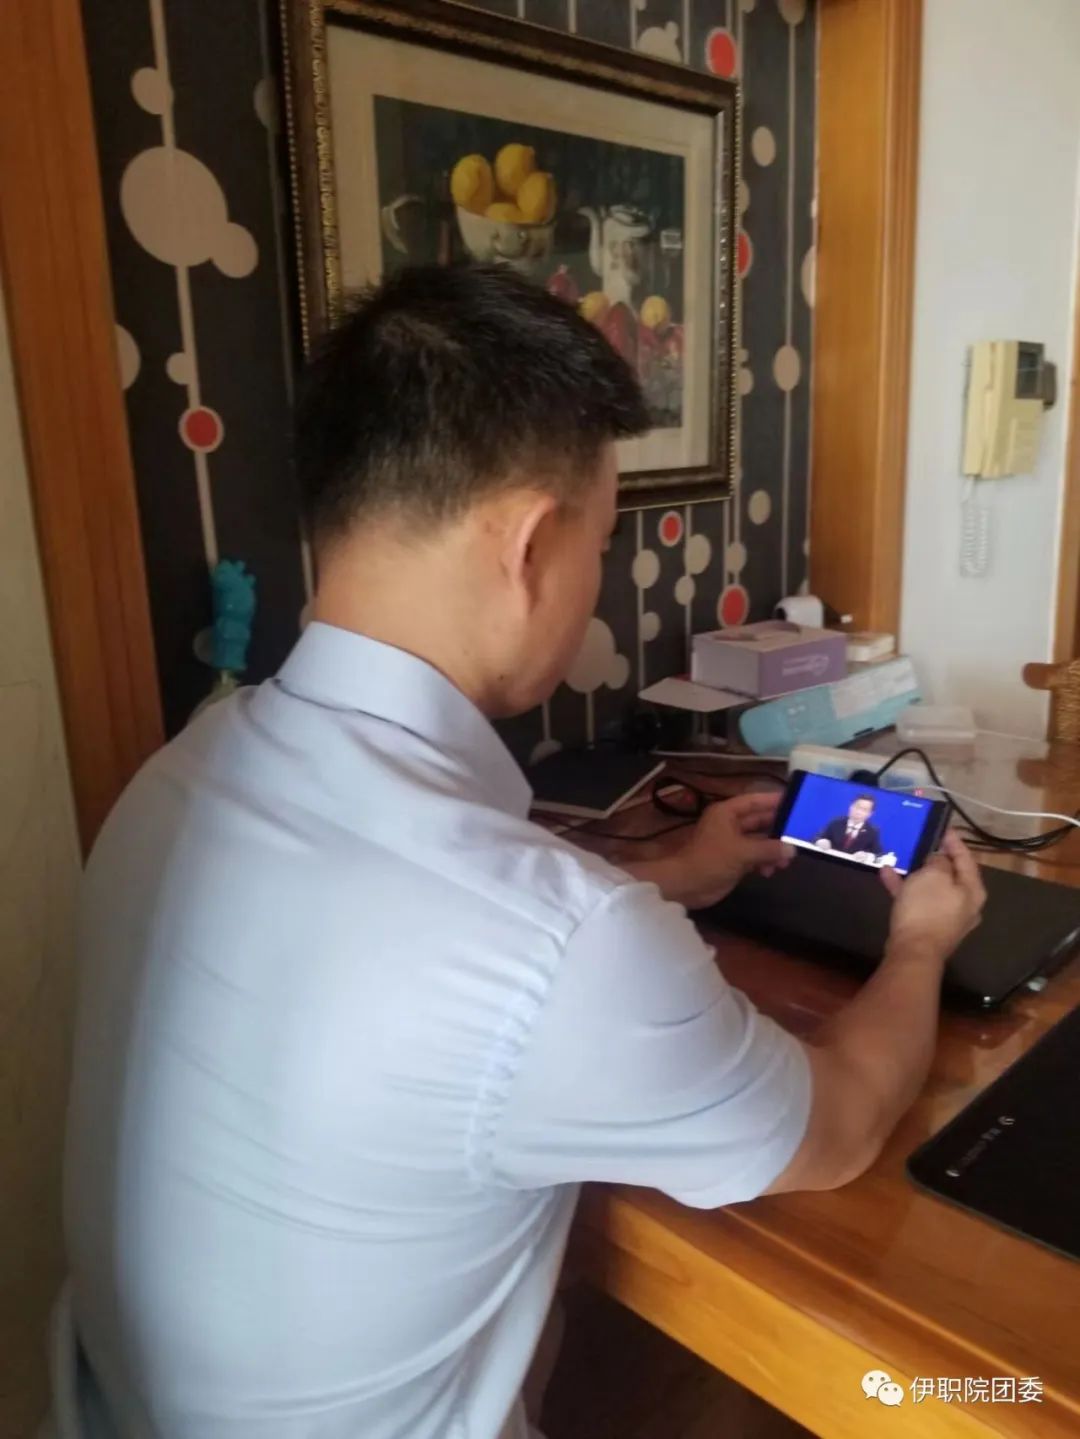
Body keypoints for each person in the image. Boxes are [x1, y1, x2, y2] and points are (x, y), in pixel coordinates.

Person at [57, 264, 985, 1439]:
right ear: (534, 544)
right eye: (603, 538)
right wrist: (921, 942)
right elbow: (838, 1124)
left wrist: (672, 874)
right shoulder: (560, 943)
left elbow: (411, 951)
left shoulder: (179, 776)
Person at [816, 794, 884, 860]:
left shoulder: (872, 831)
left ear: (870, 814)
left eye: (864, 810)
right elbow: (817, 837)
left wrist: (867, 856)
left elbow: (878, 854)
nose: (858, 812)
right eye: (857, 807)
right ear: (851, 807)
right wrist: (820, 841)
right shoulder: (836, 822)